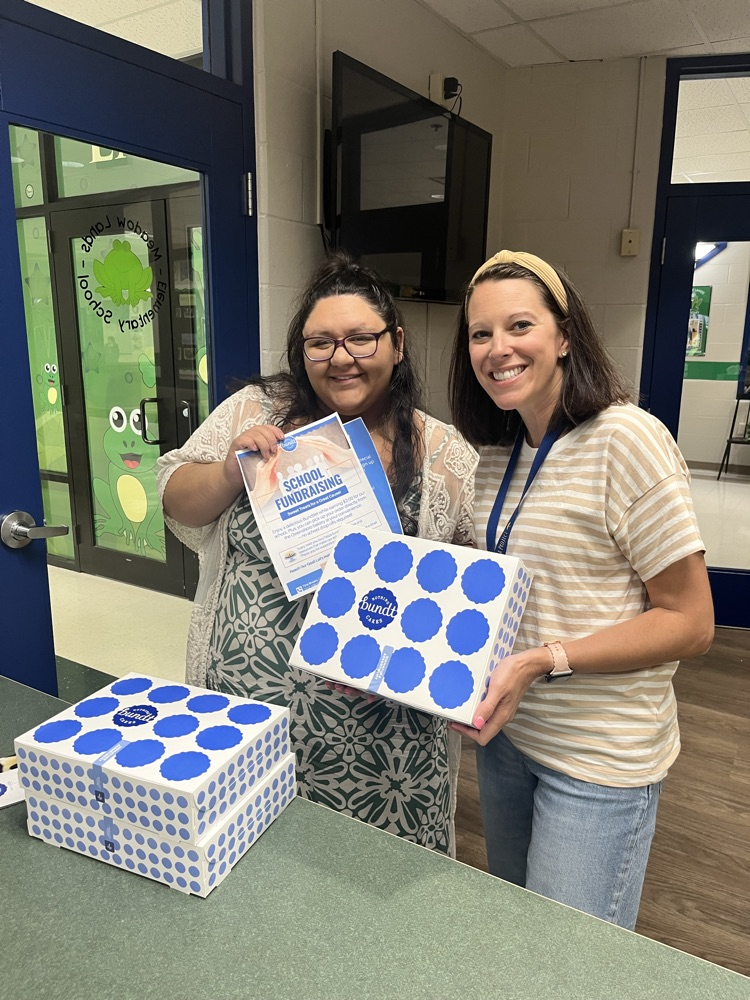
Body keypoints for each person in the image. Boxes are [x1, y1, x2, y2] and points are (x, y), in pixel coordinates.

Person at [157, 251, 477, 855]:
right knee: (247, 867)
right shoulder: (254, 411)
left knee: (375, 880)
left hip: (386, 744)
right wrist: (229, 470)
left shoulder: (441, 452)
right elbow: (176, 499)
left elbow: (467, 584)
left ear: (397, 344)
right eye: (320, 342)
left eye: (361, 338)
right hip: (245, 721)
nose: (340, 357)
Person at [447, 249, 714, 929]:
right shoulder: (496, 456)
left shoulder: (627, 439)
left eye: (520, 326)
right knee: (520, 933)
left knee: (567, 961)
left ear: (564, 336)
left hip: (598, 758)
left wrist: (545, 660)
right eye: (481, 334)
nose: (498, 349)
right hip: (510, 739)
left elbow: (690, 621)